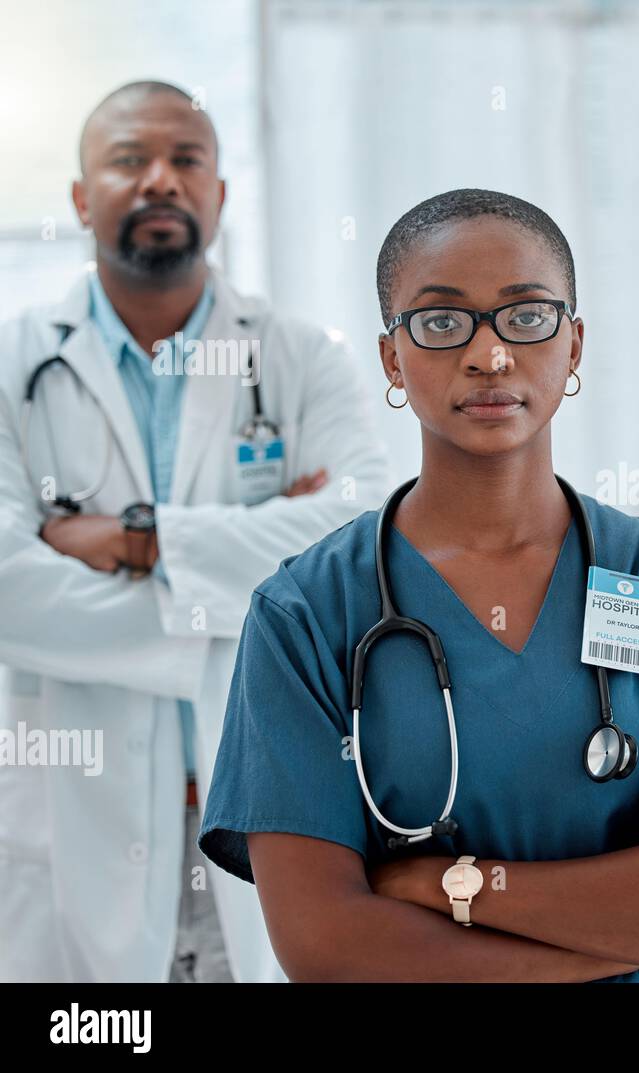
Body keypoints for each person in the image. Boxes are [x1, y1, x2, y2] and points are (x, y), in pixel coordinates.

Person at [197, 188, 639, 982]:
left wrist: (444, 886)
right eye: (441, 322)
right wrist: (621, 921)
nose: (489, 353)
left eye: (526, 315)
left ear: (574, 346)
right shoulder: (304, 615)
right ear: (392, 358)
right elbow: (328, 947)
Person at [0, 81, 389, 982]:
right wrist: (245, 582)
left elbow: (359, 537)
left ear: (219, 193)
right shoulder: (15, 361)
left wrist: (138, 543)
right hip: (70, 811)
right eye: (130, 159)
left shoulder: (299, 354)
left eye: (187, 160)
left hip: (262, 815)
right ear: (79, 196)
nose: (160, 180)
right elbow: (8, 591)